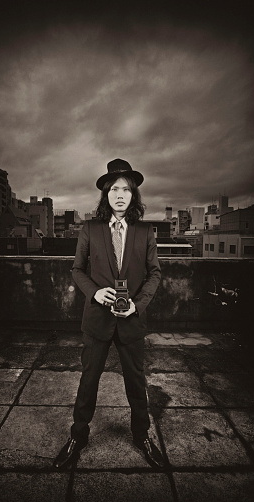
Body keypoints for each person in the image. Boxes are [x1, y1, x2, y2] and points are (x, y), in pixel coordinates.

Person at [53, 158, 164, 469]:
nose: (119, 194)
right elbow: (77, 270)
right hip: (97, 321)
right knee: (88, 381)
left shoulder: (145, 231)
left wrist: (137, 305)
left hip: (131, 320)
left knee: (136, 383)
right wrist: (94, 292)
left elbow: (155, 274)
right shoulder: (90, 228)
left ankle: (142, 435)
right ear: (106, 194)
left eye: (126, 190)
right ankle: (78, 436)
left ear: (133, 196)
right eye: (114, 189)